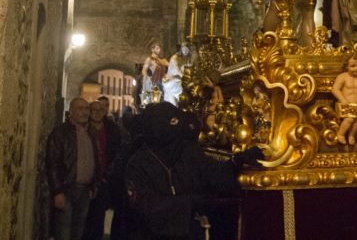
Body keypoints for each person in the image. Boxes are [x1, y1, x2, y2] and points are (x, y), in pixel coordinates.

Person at [125, 102, 263, 239]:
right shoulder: (138, 163)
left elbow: (215, 173)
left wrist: (236, 161)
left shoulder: (188, 152)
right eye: (172, 121)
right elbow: (146, 208)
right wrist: (190, 203)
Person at [46, 97, 99, 240]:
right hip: (66, 190)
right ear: (71, 112)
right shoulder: (61, 133)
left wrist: (94, 185)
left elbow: (95, 160)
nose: (84, 112)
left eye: (86, 108)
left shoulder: (91, 133)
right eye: (80, 108)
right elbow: (53, 163)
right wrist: (57, 191)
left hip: (84, 191)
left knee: (78, 232)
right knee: (63, 233)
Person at [82, 99, 123, 240]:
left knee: (99, 216)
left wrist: (109, 172)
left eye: (99, 110)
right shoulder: (82, 128)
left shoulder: (112, 129)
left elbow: (118, 151)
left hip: (104, 179)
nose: (96, 113)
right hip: (85, 179)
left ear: (105, 112)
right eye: (93, 110)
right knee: (83, 216)